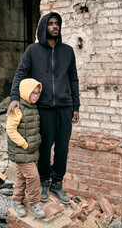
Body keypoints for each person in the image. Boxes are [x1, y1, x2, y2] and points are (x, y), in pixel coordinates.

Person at [7, 12, 80, 204]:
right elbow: (20, 72)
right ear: (43, 27)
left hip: (65, 107)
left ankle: (57, 183)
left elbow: (73, 79)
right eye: (51, 24)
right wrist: (15, 97)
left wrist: (76, 106)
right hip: (44, 108)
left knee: (62, 148)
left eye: (57, 24)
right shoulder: (33, 50)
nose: (55, 27)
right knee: (45, 148)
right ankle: (45, 183)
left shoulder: (68, 51)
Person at [7, 78, 46, 219]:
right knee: (33, 177)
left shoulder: (32, 107)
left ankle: (16, 201)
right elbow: (10, 130)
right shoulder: (17, 109)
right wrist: (25, 144)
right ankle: (34, 203)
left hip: (31, 151)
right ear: (24, 92)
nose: (36, 95)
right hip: (22, 150)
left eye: (38, 93)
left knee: (22, 177)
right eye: (32, 93)